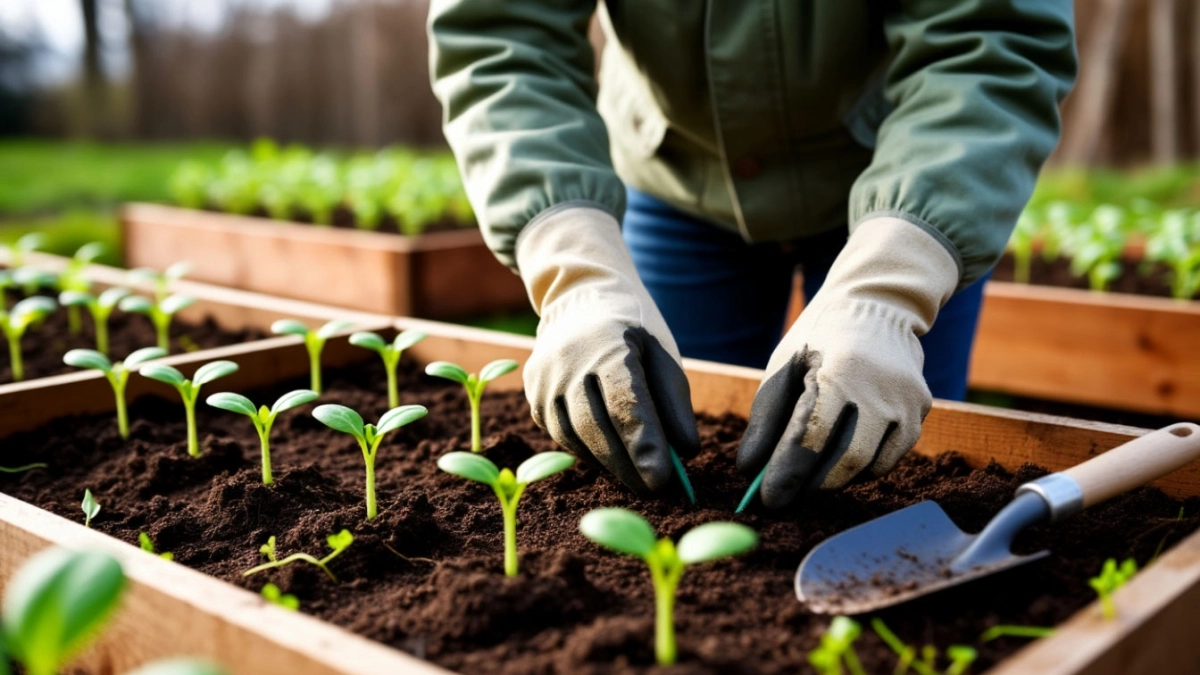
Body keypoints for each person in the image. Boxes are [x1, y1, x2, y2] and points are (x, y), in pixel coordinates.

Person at [428, 1, 1077, 507]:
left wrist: (891, 287)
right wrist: (573, 267)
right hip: (676, 177)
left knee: (892, 460)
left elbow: (992, 40)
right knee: (665, 446)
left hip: (915, 178)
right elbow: (501, 38)